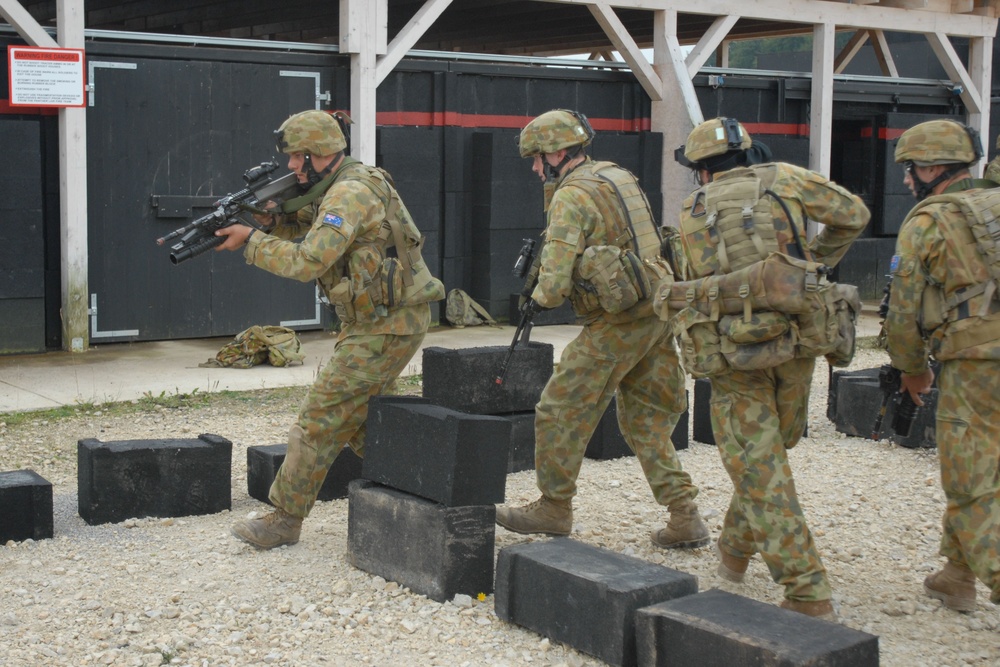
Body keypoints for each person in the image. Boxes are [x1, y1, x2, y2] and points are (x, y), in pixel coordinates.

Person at [214, 109, 445, 549]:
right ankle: (433, 489)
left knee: (319, 420)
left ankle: (284, 520)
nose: (290, 167)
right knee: (362, 424)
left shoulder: (350, 194)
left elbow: (309, 261)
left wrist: (252, 240)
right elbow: (310, 223)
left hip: (384, 325)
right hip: (380, 321)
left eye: (296, 158)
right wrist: (270, 219)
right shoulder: (343, 183)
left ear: (318, 155)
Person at [673, 117, 870, 618]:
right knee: (770, 452)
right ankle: (735, 549)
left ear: (702, 170)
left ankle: (806, 590)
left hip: (737, 351)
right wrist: (809, 265)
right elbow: (855, 214)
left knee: (758, 463)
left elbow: (700, 283)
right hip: (800, 339)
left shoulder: (691, 212)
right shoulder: (785, 178)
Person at [494, 109, 710, 550]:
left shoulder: (569, 196)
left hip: (617, 323)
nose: (536, 168)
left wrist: (533, 298)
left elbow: (552, 287)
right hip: (655, 312)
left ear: (557, 152)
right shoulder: (617, 176)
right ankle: (684, 515)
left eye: (538, 159)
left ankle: (554, 508)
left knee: (558, 409)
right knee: (647, 423)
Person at [884, 118, 1000, 612]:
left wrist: (912, 369)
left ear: (933, 167)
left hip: (975, 360)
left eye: (911, 170)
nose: (908, 180)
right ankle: (957, 575)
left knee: (969, 476)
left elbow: (903, 311)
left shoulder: (929, 219)